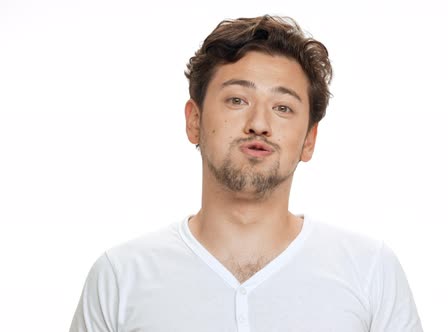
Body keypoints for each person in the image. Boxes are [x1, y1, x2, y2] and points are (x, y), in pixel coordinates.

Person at [69, 15, 423, 332]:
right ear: (194, 121)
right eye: (237, 100)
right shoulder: (120, 276)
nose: (259, 124)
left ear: (309, 140)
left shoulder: (369, 271)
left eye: (283, 108)